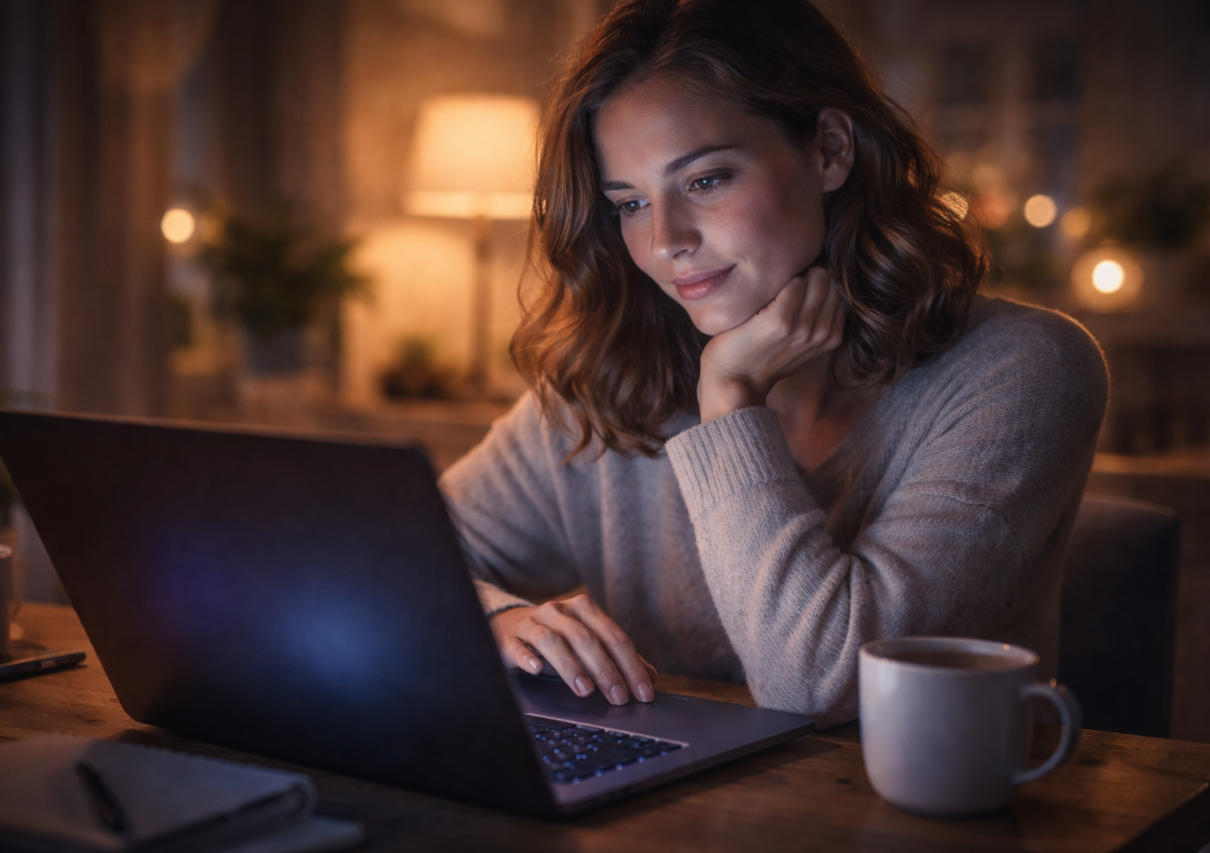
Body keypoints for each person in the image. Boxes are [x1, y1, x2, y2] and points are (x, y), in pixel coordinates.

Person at [439, 0, 1107, 727]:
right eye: (629, 203)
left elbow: (818, 686)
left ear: (828, 149)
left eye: (705, 180)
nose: (665, 240)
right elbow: (396, 563)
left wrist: (730, 398)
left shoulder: (1022, 370)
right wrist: (497, 619)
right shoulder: (609, 375)